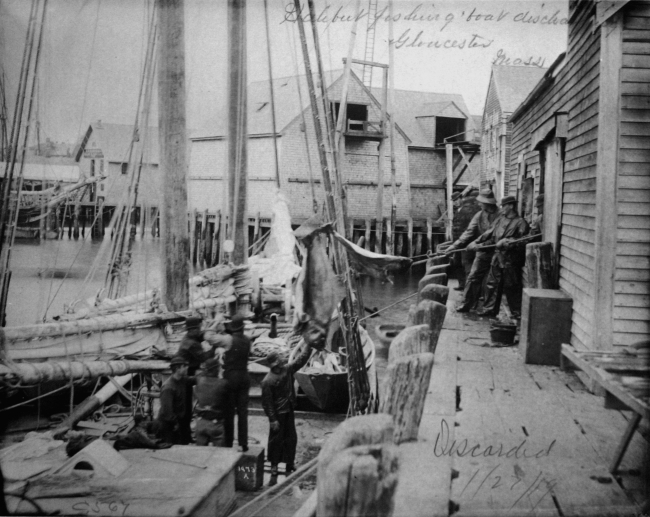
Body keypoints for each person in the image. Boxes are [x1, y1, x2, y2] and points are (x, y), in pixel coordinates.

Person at [261, 340, 314, 486]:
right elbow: (267, 403)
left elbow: (300, 360)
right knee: (275, 441)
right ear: (273, 365)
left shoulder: (287, 369)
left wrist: (309, 346)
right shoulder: (267, 381)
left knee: (291, 439)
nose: (279, 364)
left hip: (289, 410)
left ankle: (289, 463)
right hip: (278, 415)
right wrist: (272, 420)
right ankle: (274, 467)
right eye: (277, 363)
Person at [472, 195, 530, 319]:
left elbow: (524, 241)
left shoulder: (521, 222)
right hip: (497, 257)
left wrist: (508, 242)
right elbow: (492, 238)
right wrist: (481, 245)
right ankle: (489, 309)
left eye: (504, 206)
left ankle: (516, 313)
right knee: (491, 283)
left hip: (511, 260)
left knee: (511, 286)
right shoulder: (500, 220)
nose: (502, 208)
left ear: (511, 206)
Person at [448, 189, 499, 313]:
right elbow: (469, 232)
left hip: (497, 252)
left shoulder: (500, 215)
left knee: (492, 281)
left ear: (488, 203)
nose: (479, 204)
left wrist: (479, 244)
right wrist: (454, 246)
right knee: (473, 277)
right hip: (482, 251)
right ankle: (467, 304)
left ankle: (489, 309)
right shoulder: (479, 215)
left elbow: (496, 235)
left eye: (481, 202)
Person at [220, 313, 251, 452]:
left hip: (231, 377)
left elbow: (212, 340)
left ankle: (228, 442)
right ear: (243, 327)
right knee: (243, 412)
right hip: (244, 375)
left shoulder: (228, 339)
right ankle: (243, 443)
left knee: (229, 411)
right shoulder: (248, 340)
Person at [156, 355, 191, 445]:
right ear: (177, 369)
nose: (187, 367)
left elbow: (193, 380)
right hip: (169, 426)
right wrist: (176, 424)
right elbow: (167, 411)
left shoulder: (182, 380)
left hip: (178, 422)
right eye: (184, 366)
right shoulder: (168, 387)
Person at [450, 189, 481, 290]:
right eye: (453, 201)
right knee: (456, 263)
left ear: (461, 199)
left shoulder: (467, 210)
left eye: (456, 200)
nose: (455, 203)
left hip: (465, 243)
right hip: (457, 242)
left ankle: (468, 287)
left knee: (466, 263)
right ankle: (462, 284)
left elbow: (469, 229)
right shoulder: (457, 211)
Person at [194, 358, 229, 447]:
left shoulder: (199, 380)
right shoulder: (223, 383)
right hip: (216, 423)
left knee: (200, 453)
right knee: (218, 454)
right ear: (216, 369)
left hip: (201, 422)